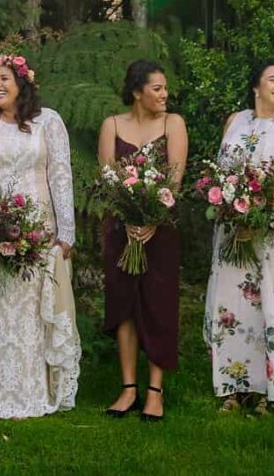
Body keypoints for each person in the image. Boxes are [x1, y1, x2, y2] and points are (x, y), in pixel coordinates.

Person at [0, 53, 78, 419]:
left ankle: (33, 391)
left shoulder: (49, 123)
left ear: (22, 84)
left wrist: (66, 232)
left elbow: (60, 176)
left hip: (39, 233)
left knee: (31, 313)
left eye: (5, 79)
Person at [203, 61, 274, 414]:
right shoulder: (234, 121)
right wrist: (233, 210)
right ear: (256, 87)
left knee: (273, 305)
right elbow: (223, 172)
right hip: (234, 233)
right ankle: (235, 386)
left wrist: (258, 215)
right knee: (235, 307)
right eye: (273, 80)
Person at [97, 59, 187, 423]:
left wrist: (151, 220)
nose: (165, 95)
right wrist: (129, 218)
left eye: (165, 88)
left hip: (160, 230)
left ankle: (155, 390)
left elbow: (175, 179)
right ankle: (128, 387)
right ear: (137, 92)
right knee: (124, 305)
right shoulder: (112, 125)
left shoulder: (173, 123)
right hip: (121, 230)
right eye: (157, 88)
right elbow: (107, 179)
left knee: (158, 305)